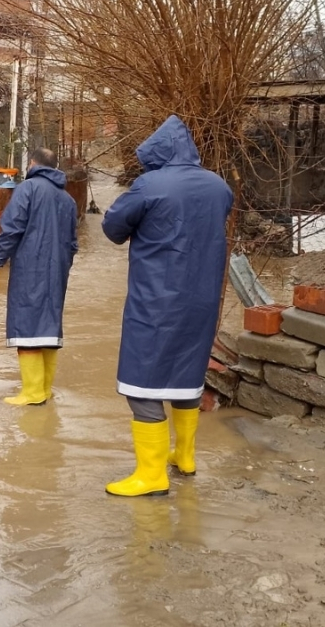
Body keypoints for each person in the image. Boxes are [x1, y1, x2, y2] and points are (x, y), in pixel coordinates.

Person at [100, 116, 233, 497]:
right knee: (187, 374)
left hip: (157, 299)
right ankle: (185, 456)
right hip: (203, 299)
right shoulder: (219, 186)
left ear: (156, 154)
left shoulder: (149, 184)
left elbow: (112, 229)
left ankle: (151, 474)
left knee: (141, 383)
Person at [0, 148, 79, 406]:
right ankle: (44, 390)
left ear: (32, 163)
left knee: (26, 329)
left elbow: (12, 228)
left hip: (30, 269)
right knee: (48, 330)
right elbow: (72, 245)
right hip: (57, 273)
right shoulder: (68, 200)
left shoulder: (27, 189)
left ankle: (32, 393)